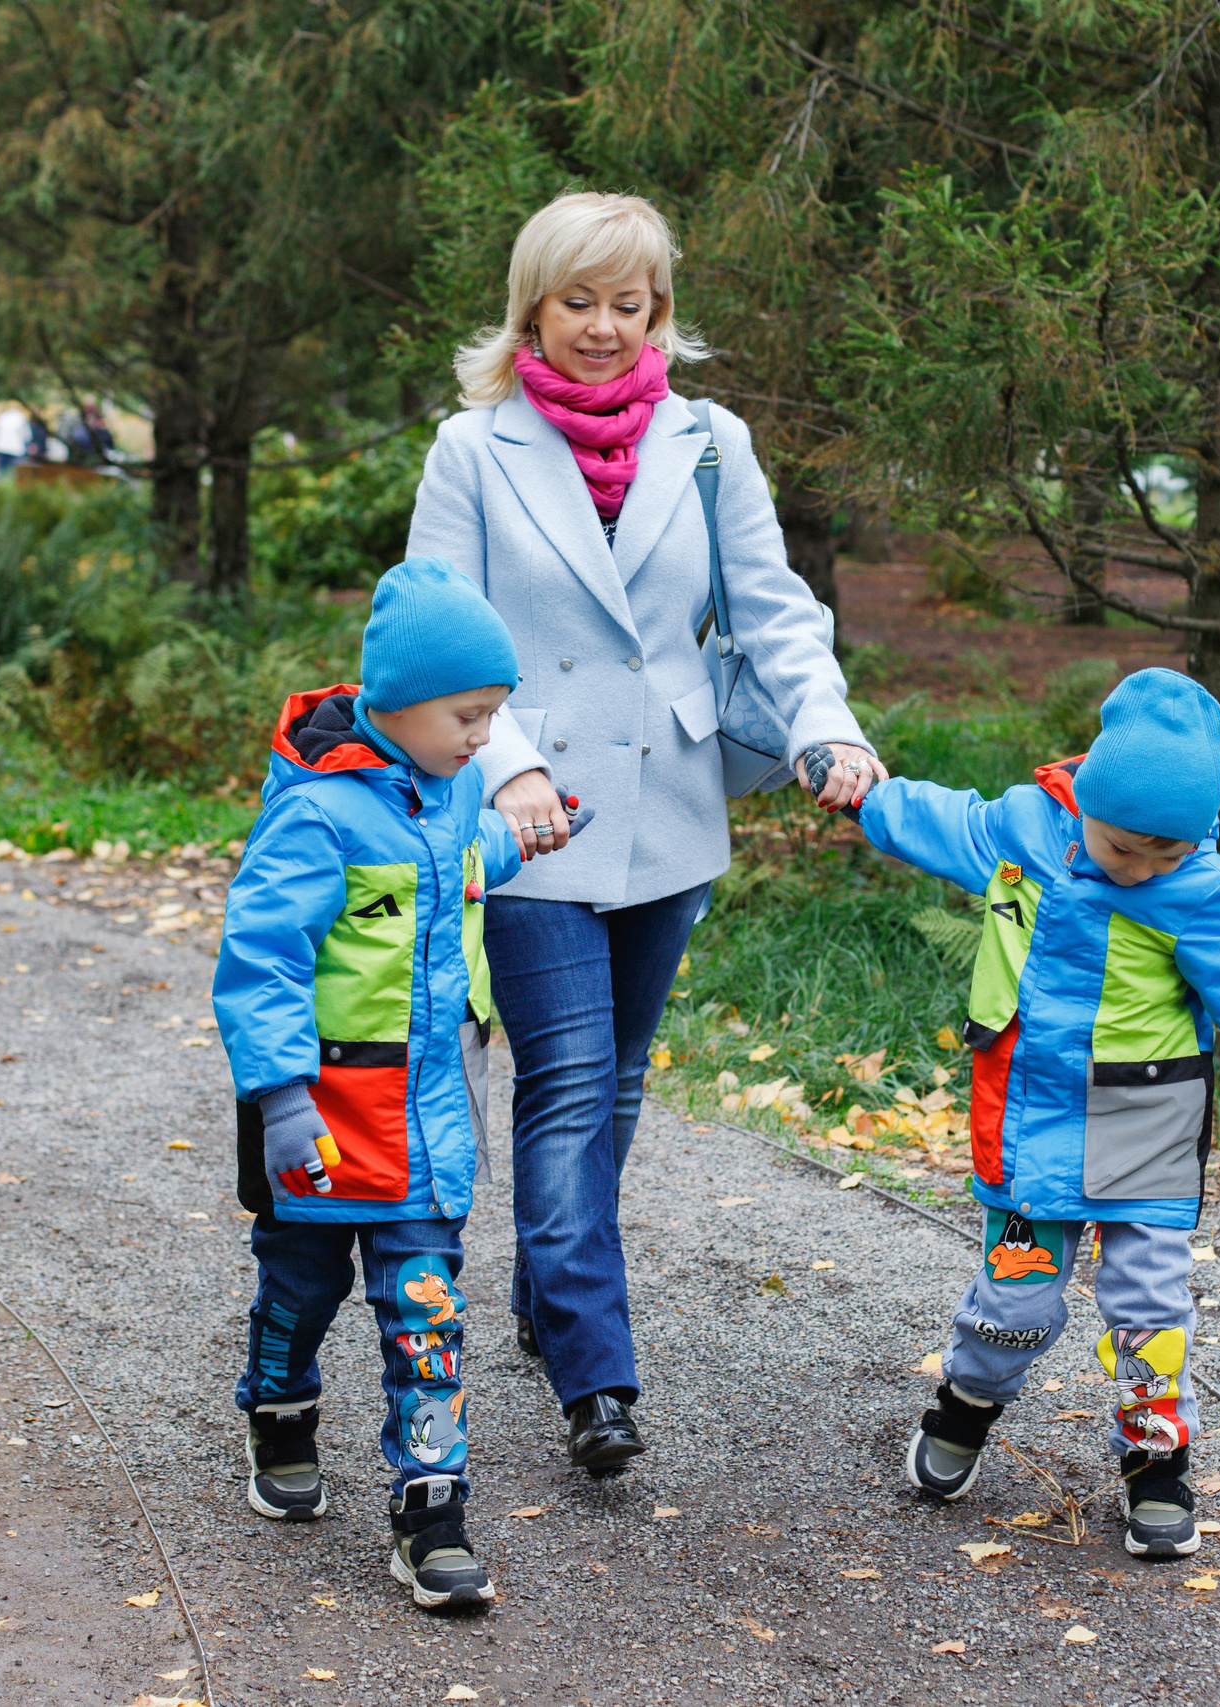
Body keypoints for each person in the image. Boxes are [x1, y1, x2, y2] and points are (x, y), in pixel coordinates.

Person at [404, 191, 883, 1475]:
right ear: (532, 310)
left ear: (658, 310)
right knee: (563, 1085)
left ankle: (545, 1298)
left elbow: (774, 615)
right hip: (534, 815)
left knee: (612, 1086)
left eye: (631, 303)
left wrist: (824, 730)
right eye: (579, 302)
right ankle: (594, 1379)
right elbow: (442, 626)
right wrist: (499, 773)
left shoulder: (710, 442)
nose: (605, 328)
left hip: (670, 807)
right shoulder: (473, 450)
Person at [832, 668, 1220, 1558]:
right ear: (1087, 808)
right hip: (1037, 1122)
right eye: (1125, 847)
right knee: (1017, 1297)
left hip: (1146, 1129)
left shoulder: (1198, 890)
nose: (1145, 867)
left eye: (1168, 850)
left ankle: (1157, 1468)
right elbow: (943, 820)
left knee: (1150, 1307)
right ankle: (963, 1409)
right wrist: (867, 799)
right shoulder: (1027, 831)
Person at [212, 558, 538, 1611]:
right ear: (395, 704)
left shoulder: (455, 794)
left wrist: (522, 835)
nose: (483, 736)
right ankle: (280, 1415)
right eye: (467, 715)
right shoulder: (317, 817)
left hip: (429, 1127)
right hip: (324, 1123)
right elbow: (260, 961)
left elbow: (463, 862)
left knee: (427, 1315)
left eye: (492, 716)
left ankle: (430, 1511)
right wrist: (280, 1096)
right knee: (301, 1292)